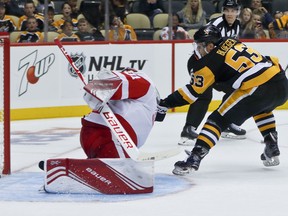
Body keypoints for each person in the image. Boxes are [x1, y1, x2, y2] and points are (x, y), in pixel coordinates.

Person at [156, 24, 288, 175]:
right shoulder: (231, 41)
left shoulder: (208, 62)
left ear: (210, 46)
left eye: (200, 46)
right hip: (281, 81)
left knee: (216, 121)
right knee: (262, 108)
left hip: (257, 87)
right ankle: (271, 144)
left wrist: (166, 103)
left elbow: (192, 93)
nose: (197, 49)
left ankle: (194, 158)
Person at [178, 0, 245, 146]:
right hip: (201, 62)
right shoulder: (215, 25)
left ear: (238, 12)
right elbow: (199, 40)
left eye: (233, 11)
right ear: (223, 11)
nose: (230, 14)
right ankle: (188, 130)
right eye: (227, 10)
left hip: (217, 65)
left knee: (236, 88)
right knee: (204, 95)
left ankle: (227, 122)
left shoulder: (237, 24)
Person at [80, 67, 158, 158]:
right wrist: (96, 88)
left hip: (92, 133)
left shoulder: (148, 101)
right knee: (119, 168)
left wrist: (96, 89)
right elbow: (109, 81)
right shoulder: (145, 83)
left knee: (101, 167)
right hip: (110, 136)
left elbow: (101, 87)